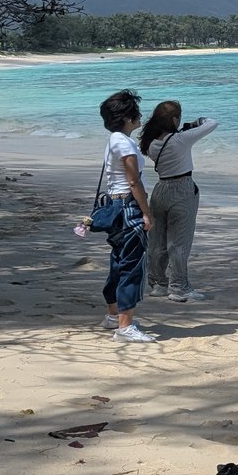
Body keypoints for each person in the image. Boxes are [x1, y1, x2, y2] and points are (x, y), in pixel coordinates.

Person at [139, 101, 220, 302]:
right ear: (175, 119)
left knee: (157, 241)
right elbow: (212, 123)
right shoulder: (181, 139)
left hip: (160, 189)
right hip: (182, 188)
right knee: (179, 242)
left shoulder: (151, 144)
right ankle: (179, 286)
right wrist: (195, 123)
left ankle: (158, 283)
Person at [96, 89, 157, 342]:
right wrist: (147, 213)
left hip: (115, 206)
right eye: (137, 112)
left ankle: (114, 316)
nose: (141, 116)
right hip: (128, 207)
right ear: (128, 117)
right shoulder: (125, 143)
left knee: (118, 261)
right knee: (132, 266)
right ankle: (125, 326)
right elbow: (134, 182)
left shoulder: (114, 140)